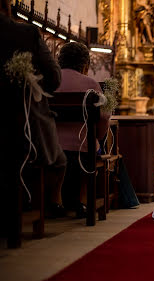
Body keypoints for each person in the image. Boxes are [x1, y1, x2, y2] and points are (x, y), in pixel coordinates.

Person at [0, 0, 66, 219]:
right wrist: (34, 88)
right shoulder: (26, 33)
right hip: (23, 128)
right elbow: (54, 77)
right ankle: (42, 205)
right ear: (7, 6)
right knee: (57, 160)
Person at [55, 42, 111, 217]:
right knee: (96, 151)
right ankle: (81, 201)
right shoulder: (90, 83)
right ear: (85, 64)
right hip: (83, 148)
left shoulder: (50, 81)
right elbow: (103, 117)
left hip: (51, 147)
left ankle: (55, 201)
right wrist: (98, 138)